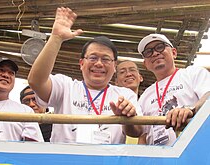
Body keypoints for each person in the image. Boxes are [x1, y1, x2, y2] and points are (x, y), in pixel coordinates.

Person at [28, 7, 143, 144]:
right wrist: (56, 38)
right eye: (93, 58)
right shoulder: (66, 87)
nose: (99, 64)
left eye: (106, 59)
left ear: (114, 67)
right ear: (82, 63)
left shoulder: (125, 95)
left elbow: (137, 131)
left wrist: (127, 117)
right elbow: (35, 81)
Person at [135, 33, 210, 145]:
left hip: (195, 149)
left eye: (160, 47)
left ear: (174, 52)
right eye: (148, 52)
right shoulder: (145, 95)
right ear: (145, 64)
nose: (155, 53)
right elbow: (143, 135)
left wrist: (190, 109)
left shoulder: (193, 73)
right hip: (158, 158)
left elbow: (208, 95)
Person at [0, 57, 44, 142]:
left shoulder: (25, 111)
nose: (6, 75)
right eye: (0, 70)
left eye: (11, 73)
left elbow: (34, 148)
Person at [115, 60, 143, 144]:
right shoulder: (114, 106)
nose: (128, 74)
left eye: (132, 70)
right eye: (122, 72)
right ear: (116, 82)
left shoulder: (148, 104)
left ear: (140, 77)